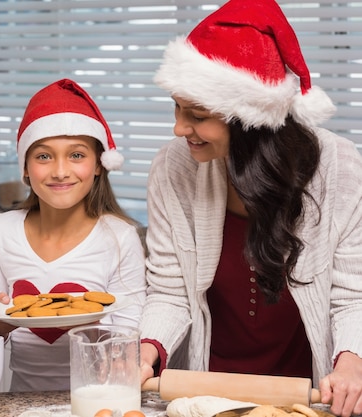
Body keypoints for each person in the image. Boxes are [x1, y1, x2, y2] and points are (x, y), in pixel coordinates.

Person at [139, 0, 362, 416]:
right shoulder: (172, 167)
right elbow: (170, 291)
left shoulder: (340, 167)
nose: (178, 128)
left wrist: (351, 362)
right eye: (176, 107)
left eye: (197, 115)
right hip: (205, 394)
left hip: (306, 397)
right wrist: (145, 351)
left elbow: (353, 295)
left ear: (250, 122)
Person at [0, 79, 147, 392]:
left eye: (76, 155)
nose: (59, 171)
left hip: (98, 397)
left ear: (99, 164)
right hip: (20, 401)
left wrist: (96, 332)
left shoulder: (120, 237)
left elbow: (128, 338)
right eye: (44, 156)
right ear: (26, 168)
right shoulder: (2, 231)